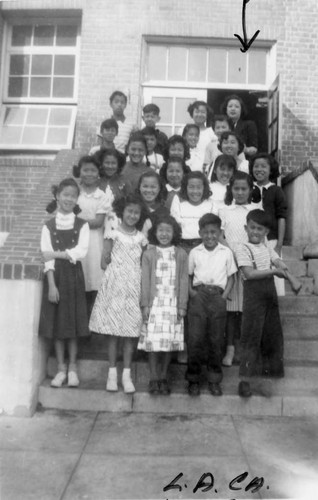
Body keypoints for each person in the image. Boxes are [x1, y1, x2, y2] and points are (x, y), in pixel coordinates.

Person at [89, 195, 148, 393]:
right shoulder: (112, 234)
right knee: (113, 332)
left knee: (131, 332)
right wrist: (109, 260)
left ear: (140, 215)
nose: (132, 215)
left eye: (136, 212)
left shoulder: (142, 238)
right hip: (115, 286)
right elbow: (103, 263)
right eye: (129, 211)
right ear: (122, 212)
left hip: (133, 288)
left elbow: (143, 264)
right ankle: (112, 374)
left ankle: (127, 374)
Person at [38, 178, 90, 388]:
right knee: (59, 325)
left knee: (73, 324)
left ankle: (73, 368)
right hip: (56, 279)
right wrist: (51, 285)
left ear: (77, 199)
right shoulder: (48, 226)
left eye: (73, 195)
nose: (69, 198)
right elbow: (46, 257)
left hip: (74, 276)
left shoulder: (82, 225)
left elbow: (80, 252)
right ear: (57, 196)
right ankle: (61, 369)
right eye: (65, 194)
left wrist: (55, 253)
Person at [235, 209, 290, 397]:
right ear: (246, 228)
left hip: (269, 296)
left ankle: (266, 382)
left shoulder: (267, 247)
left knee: (271, 338)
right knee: (251, 338)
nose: (255, 232)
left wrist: (283, 267)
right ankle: (245, 381)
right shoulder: (242, 247)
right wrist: (274, 272)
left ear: (266, 232)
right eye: (252, 228)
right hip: (253, 297)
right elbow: (249, 274)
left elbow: (277, 260)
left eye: (260, 229)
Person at [186, 213, 237, 396]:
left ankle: (214, 380)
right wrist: (192, 293)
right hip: (199, 295)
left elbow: (232, 277)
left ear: (219, 232)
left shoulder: (226, 252)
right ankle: (193, 380)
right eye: (206, 232)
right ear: (200, 233)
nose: (210, 236)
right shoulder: (195, 252)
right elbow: (189, 276)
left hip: (217, 297)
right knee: (195, 338)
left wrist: (224, 296)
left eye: (214, 232)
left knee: (216, 339)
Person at [138, 214, 188, 395]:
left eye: (168, 231)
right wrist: (145, 304)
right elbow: (145, 280)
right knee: (153, 343)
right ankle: (153, 377)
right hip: (155, 304)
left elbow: (183, 280)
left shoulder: (181, 253)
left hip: (172, 304)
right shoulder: (149, 254)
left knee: (168, 343)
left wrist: (182, 305)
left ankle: (164, 376)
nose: (164, 234)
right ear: (155, 233)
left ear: (174, 233)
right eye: (161, 230)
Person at [218, 171, 260, 367]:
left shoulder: (255, 209)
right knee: (230, 312)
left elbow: (261, 237)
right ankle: (229, 350)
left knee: (246, 311)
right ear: (231, 189)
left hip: (249, 265)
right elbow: (220, 236)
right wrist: (231, 253)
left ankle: (244, 350)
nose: (240, 192)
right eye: (236, 188)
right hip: (230, 263)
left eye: (244, 188)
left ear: (251, 190)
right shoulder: (224, 210)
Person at [73, 156, 113, 317]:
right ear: (79, 172)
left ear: (98, 173)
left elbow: (97, 222)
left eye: (93, 170)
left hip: (94, 243)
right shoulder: (74, 193)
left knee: (94, 282)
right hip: (75, 241)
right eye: (85, 170)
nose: (89, 174)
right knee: (78, 284)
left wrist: (75, 221)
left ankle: (93, 327)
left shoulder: (102, 196)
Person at [170, 171, 215, 254]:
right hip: (181, 246)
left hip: (204, 246)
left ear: (204, 188)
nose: (195, 191)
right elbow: (175, 226)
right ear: (185, 187)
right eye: (191, 187)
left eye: (198, 187)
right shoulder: (178, 200)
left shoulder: (210, 203)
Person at [136, 170, 169, 237]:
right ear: (139, 187)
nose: (149, 190)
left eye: (153, 187)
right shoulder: (134, 208)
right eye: (145, 186)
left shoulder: (163, 212)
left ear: (159, 188)